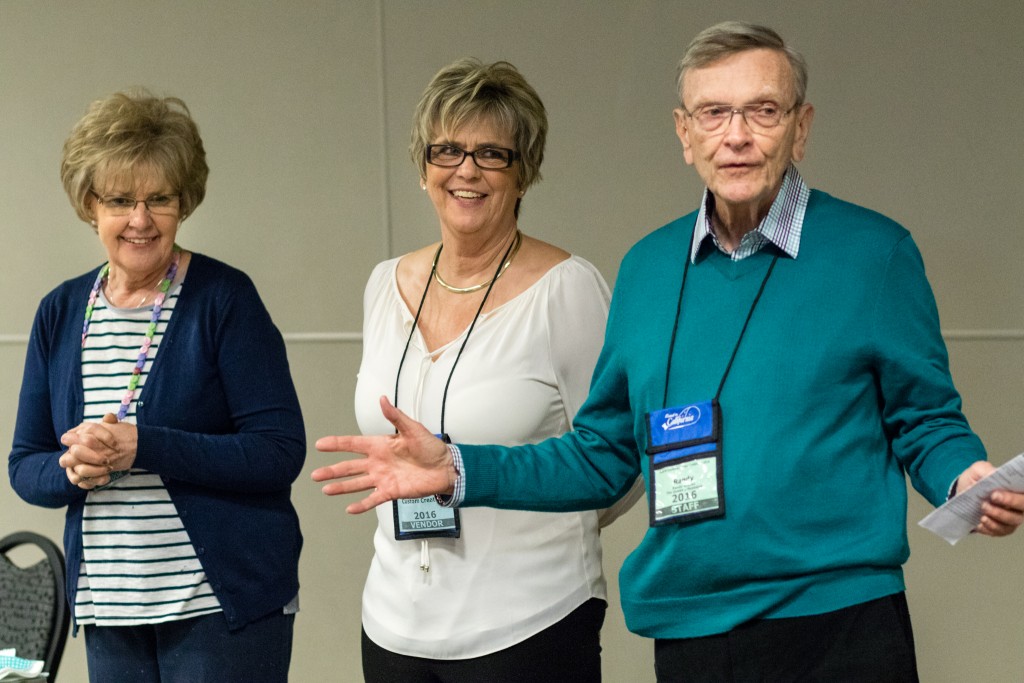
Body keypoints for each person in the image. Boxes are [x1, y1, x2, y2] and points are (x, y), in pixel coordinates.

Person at [314, 22, 1024, 682]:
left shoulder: (874, 253)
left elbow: (925, 417)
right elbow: (601, 454)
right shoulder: (649, 269)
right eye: (713, 114)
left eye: (763, 111)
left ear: (800, 129)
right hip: (688, 627)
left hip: (834, 620)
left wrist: (964, 476)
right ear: (685, 135)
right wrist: (461, 467)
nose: (736, 135)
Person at [335, 57, 638, 683]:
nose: (466, 170)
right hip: (394, 623)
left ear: (523, 173)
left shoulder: (568, 290)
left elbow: (620, 462)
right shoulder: (383, 284)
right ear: (423, 168)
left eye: (492, 154)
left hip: (531, 623)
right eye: (446, 150)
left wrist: (534, 528)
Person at [8, 89, 305, 682]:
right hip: (110, 610)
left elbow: (278, 451)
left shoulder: (225, 299)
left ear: (183, 203)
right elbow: (25, 464)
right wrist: (72, 468)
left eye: (158, 199)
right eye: (120, 200)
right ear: (90, 205)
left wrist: (145, 446)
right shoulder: (61, 312)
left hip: (220, 608)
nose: (139, 220)